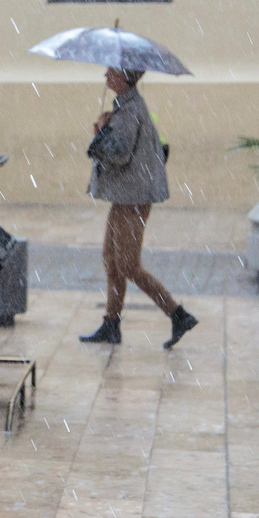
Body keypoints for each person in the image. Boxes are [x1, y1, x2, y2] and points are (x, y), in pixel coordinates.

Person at [80, 67, 198, 349]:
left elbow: (119, 154)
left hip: (133, 197)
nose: (105, 75)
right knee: (111, 259)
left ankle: (177, 314)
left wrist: (100, 132)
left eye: (111, 71)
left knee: (129, 266)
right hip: (125, 196)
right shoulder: (125, 106)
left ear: (125, 78)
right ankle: (111, 323)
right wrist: (109, 124)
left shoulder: (130, 110)